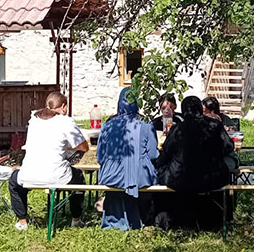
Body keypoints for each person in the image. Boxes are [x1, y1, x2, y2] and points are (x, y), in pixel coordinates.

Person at [7, 92, 89, 231]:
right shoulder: (65, 121)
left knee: (14, 182)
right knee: (78, 179)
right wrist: (68, 146)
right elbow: (84, 147)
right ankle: (76, 219)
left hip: (29, 173)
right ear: (63, 107)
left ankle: (22, 222)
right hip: (56, 175)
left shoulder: (34, 119)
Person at [154, 96, 235, 230]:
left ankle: (164, 217)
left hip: (181, 180)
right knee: (229, 162)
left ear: (184, 111)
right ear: (200, 109)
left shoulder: (177, 130)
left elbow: (164, 156)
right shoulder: (215, 125)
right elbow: (228, 147)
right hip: (212, 178)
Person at [97, 88, 158, 231]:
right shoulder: (146, 124)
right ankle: (140, 217)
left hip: (111, 175)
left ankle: (115, 218)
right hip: (140, 176)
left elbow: (100, 156)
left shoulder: (108, 125)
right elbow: (153, 155)